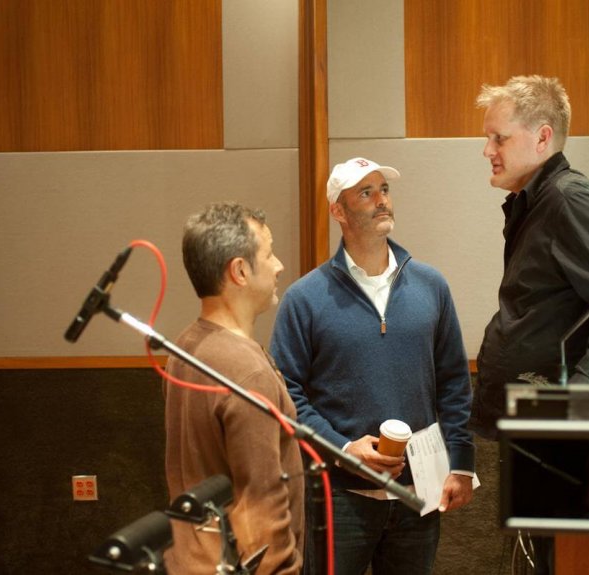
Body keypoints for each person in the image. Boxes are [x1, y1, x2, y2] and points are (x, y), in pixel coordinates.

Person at [270, 157, 475, 575]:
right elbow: (286, 393)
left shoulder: (431, 286)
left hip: (419, 493)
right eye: (366, 193)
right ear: (338, 212)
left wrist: (462, 462)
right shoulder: (304, 298)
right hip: (338, 498)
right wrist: (343, 449)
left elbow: (454, 381)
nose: (382, 201)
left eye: (384, 190)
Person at [471, 75, 589, 439]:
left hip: (566, 430)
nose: (487, 150)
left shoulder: (569, 199)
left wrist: (582, 399)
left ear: (542, 137)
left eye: (499, 138)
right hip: (535, 422)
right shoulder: (534, 204)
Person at [163, 202, 304, 575]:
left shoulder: (185, 347)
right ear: (240, 271)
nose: (279, 266)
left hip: (191, 560)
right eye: (269, 254)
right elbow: (262, 503)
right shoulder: (246, 372)